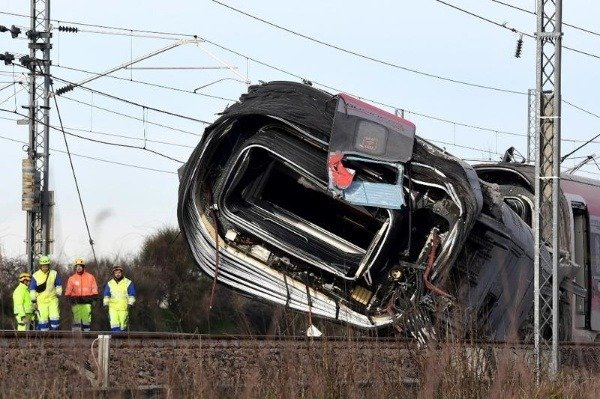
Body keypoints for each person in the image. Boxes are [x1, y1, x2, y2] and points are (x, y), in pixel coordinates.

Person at [29, 255, 62, 331]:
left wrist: (58, 292)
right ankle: (44, 338)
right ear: (40, 266)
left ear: (49, 265)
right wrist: (33, 301)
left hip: (52, 300)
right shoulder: (35, 275)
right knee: (43, 320)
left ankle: (55, 336)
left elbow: (58, 284)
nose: (45, 268)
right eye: (43, 266)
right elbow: (32, 289)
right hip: (41, 302)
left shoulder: (54, 273)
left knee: (55, 317)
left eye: (46, 266)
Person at [64, 258, 99, 331]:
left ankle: (87, 336)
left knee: (86, 321)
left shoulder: (90, 277)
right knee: (76, 321)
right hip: (76, 302)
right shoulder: (72, 278)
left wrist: (95, 296)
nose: (79, 268)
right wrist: (67, 297)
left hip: (87, 301)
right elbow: (68, 289)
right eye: (77, 266)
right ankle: (76, 338)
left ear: (83, 267)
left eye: (80, 266)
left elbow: (94, 287)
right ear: (75, 267)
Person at [103, 265, 136, 332]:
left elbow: (132, 294)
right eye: (116, 273)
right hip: (113, 308)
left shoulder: (128, 282)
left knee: (123, 326)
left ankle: (122, 341)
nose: (117, 274)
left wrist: (130, 303)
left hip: (124, 308)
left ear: (121, 273)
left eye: (119, 272)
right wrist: (105, 304)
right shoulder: (110, 283)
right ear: (113, 274)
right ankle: (116, 340)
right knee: (114, 324)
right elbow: (106, 295)